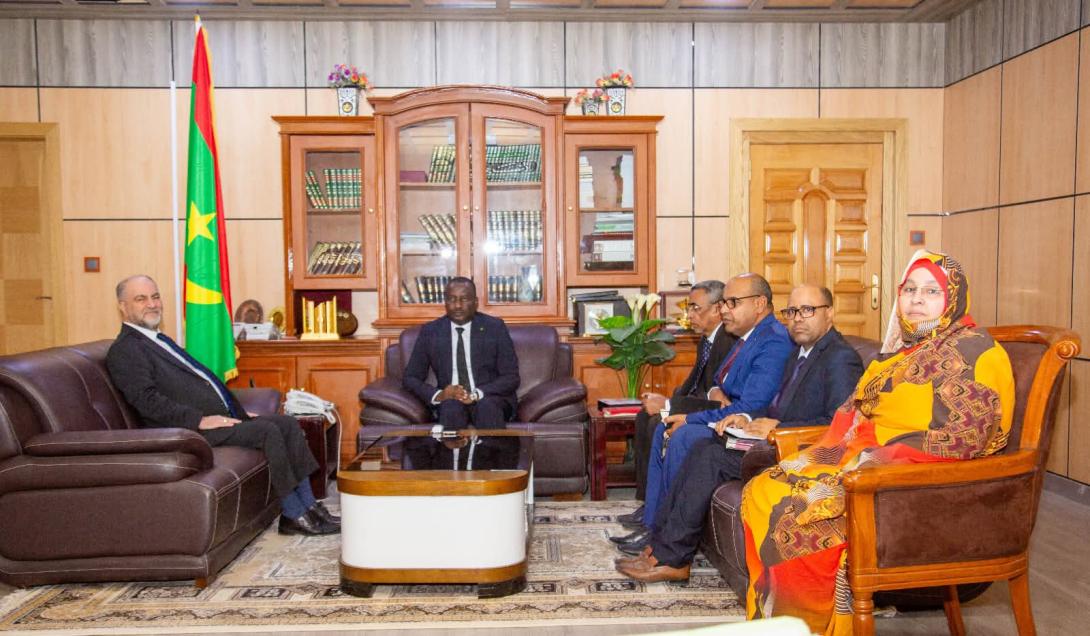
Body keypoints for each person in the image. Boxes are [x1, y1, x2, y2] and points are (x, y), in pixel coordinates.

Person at [740, 251, 1015, 634]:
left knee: (798, 513)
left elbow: (964, 440)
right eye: (910, 289)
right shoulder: (904, 352)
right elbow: (854, 414)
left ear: (953, 297)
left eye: (931, 291)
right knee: (764, 488)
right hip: (870, 465)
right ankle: (783, 620)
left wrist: (873, 459)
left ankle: (814, 625)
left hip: (922, 488)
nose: (917, 299)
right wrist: (842, 454)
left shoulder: (976, 351)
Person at [615, 284, 864, 580]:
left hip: (799, 452)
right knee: (702, 449)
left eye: (808, 310)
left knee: (708, 457)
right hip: (771, 440)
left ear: (830, 313)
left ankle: (672, 558)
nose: (798, 318)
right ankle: (661, 548)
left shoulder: (840, 357)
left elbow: (840, 426)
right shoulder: (800, 352)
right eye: (792, 311)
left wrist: (778, 428)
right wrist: (745, 419)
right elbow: (773, 405)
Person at [105, 275, 338, 537]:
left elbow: (203, 382)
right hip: (183, 431)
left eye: (155, 296)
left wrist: (236, 411)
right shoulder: (125, 350)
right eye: (141, 299)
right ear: (123, 306)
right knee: (268, 431)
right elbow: (147, 401)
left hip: (211, 419)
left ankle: (310, 507)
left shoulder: (158, 340)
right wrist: (199, 419)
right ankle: (293, 513)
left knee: (287, 423)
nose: (152, 304)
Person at [624, 273, 793, 553]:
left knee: (682, 434)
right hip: (727, 417)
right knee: (666, 427)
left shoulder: (773, 341)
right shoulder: (745, 336)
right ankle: (653, 524)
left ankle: (664, 535)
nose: (724, 309)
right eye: (724, 302)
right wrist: (715, 391)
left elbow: (750, 406)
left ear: (760, 304)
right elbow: (717, 380)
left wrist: (691, 417)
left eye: (733, 302)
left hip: (747, 428)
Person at [615, 280, 737, 532]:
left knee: (656, 423)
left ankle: (657, 509)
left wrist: (668, 405)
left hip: (710, 412)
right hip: (695, 405)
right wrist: (666, 400)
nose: (689, 315)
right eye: (688, 308)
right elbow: (692, 385)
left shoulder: (728, 341)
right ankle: (648, 504)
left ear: (717, 309)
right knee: (644, 417)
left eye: (695, 308)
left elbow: (716, 400)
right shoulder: (707, 340)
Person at [402, 276, 520, 431]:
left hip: (489, 397)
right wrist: (440, 394)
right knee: (451, 407)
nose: (457, 305)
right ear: (445, 302)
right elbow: (410, 378)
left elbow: (511, 377)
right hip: (451, 400)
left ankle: (492, 448)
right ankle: (452, 448)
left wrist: (477, 394)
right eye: (452, 299)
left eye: (464, 299)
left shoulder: (494, 327)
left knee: (487, 407)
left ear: (475, 302)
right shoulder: (431, 331)